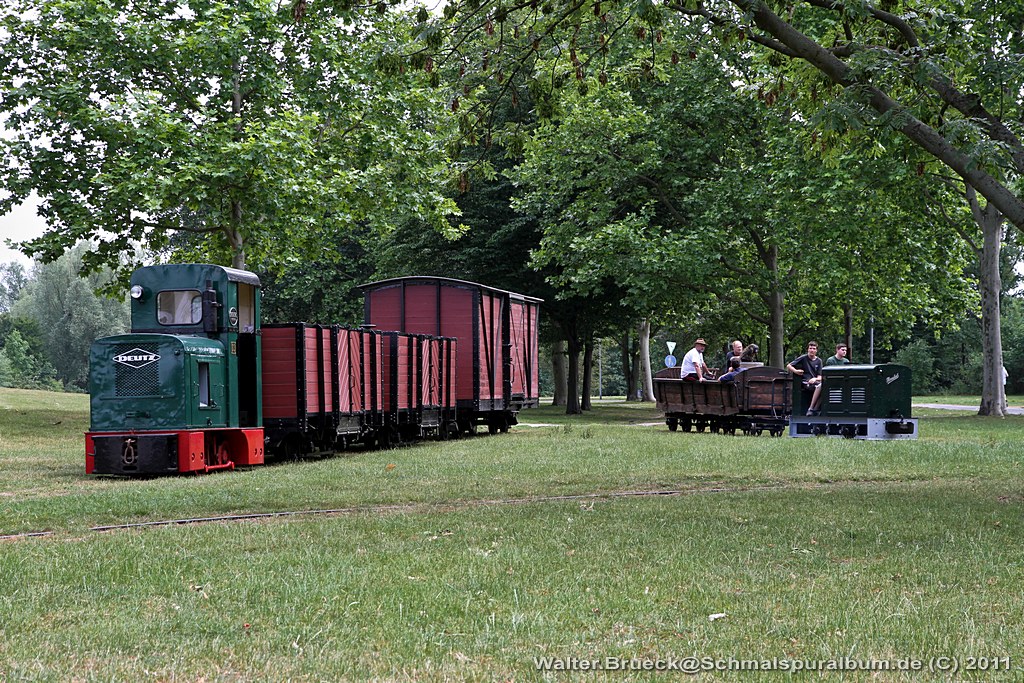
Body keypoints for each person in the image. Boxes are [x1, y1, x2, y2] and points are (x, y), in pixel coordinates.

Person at [787, 341, 824, 415]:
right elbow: (789, 365)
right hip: (806, 382)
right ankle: (811, 408)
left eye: (814, 349)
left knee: (824, 388)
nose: (812, 350)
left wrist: (815, 379)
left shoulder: (819, 361)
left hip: (815, 382)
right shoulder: (803, 358)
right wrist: (796, 371)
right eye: (810, 348)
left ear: (816, 350)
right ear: (808, 349)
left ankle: (814, 409)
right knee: (819, 387)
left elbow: (820, 376)